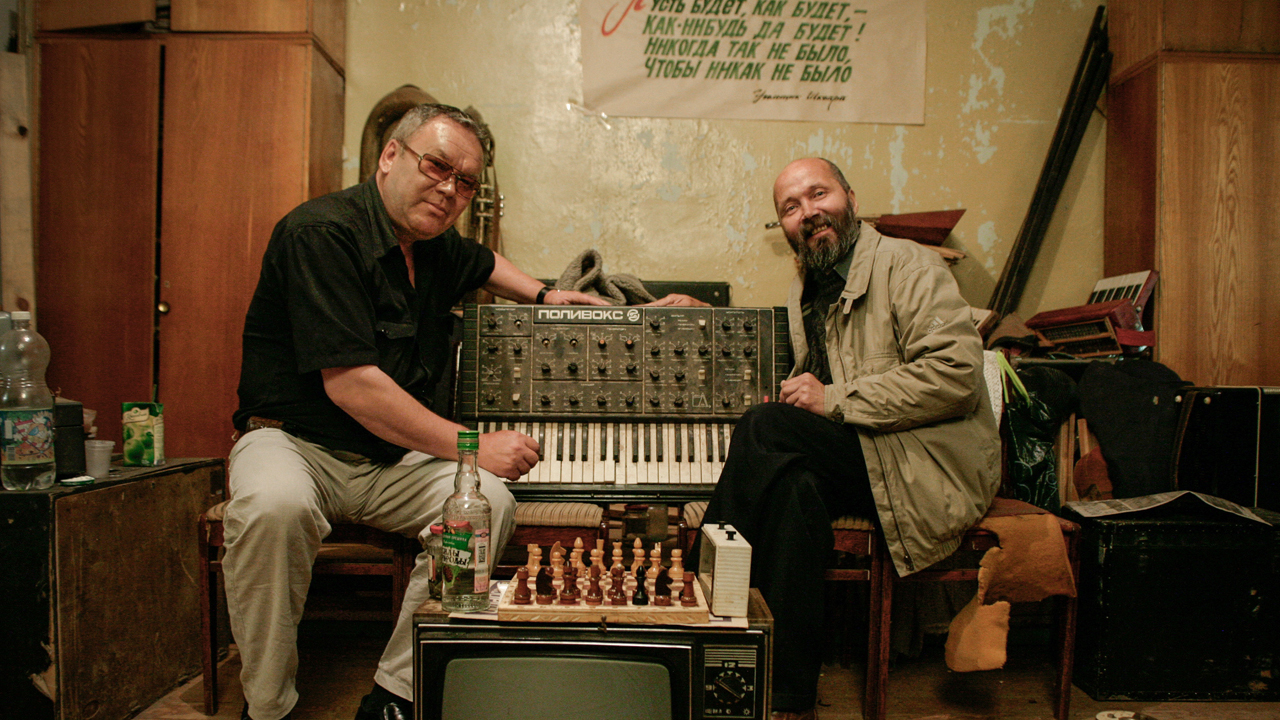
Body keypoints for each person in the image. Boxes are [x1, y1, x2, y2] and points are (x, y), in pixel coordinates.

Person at [225, 103, 701, 720]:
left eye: (466, 181)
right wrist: (472, 445)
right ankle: (267, 705)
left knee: (486, 505)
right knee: (274, 507)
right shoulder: (321, 233)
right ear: (389, 157)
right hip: (295, 445)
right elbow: (353, 387)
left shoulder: (432, 244)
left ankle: (397, 692)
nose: (449, 189)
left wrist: (545, 294)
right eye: (436, 166)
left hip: (386, 460)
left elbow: (483, 262)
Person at [699, 158, 1001, 720]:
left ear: (851, 198)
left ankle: (697, 598)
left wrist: (833, 399)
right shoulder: (807, 288)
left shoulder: (909, 264)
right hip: (870, 454)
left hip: (929, 466)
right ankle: (788, 701)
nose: (808, 212)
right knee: (795, 490)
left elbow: (957, 376)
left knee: (764, 427)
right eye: (791, 207)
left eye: (819, 194)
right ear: (783, 226)